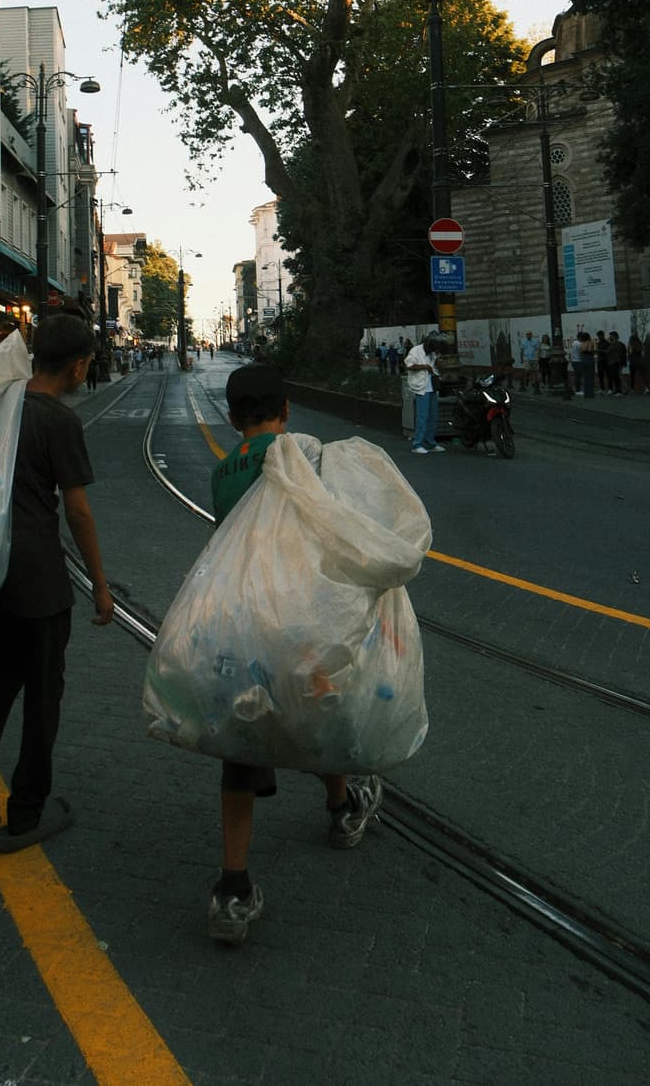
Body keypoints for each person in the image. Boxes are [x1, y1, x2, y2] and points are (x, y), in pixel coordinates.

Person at [205, 363, 382, 945]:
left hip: (242, 620)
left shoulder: (221, 471)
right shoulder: (303, 457)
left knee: (241, 743)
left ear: (233, 420)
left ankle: (232, 886)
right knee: (320, 712)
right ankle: (340, 809)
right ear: (286, 411)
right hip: (299, 618)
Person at [0, 313, 114, 851]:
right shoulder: (58, 421)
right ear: (79, 366)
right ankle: (27, 813)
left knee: (0, 676)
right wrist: (101, 586)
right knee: (42, 697)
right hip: (38, 578)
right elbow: (77, 512)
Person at [405, 334, 445, 455]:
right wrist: (425, 366)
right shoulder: (415, 351)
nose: (434, 351)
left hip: (431, 387)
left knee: (433, 416)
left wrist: (438, 362)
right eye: (433, 348)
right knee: (422, 417)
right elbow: (409, 365)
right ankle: (417, 444)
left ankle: (430, 442)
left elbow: (437, 369)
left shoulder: (432, 353)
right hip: (421, 388)